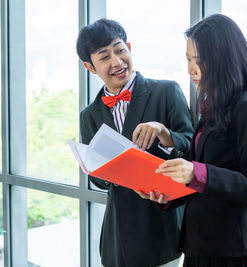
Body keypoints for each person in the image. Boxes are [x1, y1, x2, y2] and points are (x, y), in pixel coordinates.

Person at [136, 14, 247, 267]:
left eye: (198, 61)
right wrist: (168, 194)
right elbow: (200, 179)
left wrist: (197, 172)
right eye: (188, 60)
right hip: (199, 247)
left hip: (233, 252)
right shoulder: (212, 106)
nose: (190, 69)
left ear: (224, 59)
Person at [76, 18, 193, 267]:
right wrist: (103, 169)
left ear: (129, 47)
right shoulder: (89, 115)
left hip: (164, 229)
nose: (116, 62)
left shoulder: (166, 92)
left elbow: (193, 147)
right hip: (118, 236)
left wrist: (164, 133)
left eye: (120, 50)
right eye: (104, 56)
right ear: (90, 66)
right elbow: (97, 180)